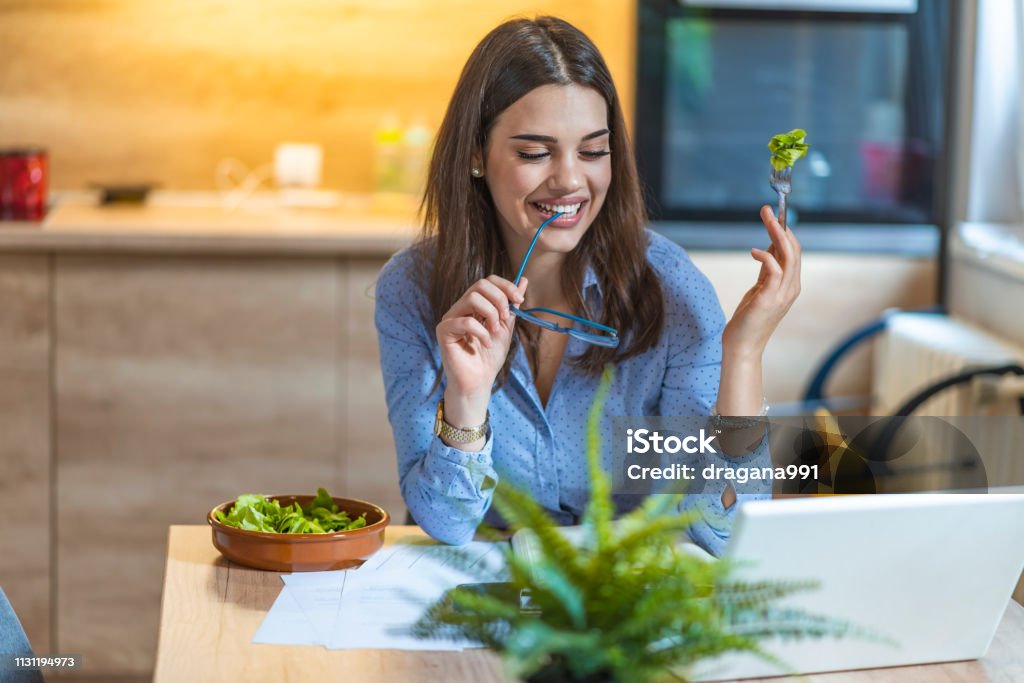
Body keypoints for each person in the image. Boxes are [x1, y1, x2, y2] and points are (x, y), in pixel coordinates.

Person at [374, 16, 801, 554]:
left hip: (621, 593)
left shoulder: (673, 291)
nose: (571, 180)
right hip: (481, 592)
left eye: (593, 151)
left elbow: (724, 530)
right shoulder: (412, 288)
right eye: (534, 153)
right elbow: (447, 524)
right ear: (475, 155)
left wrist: (742, 352)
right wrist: (468, 397)